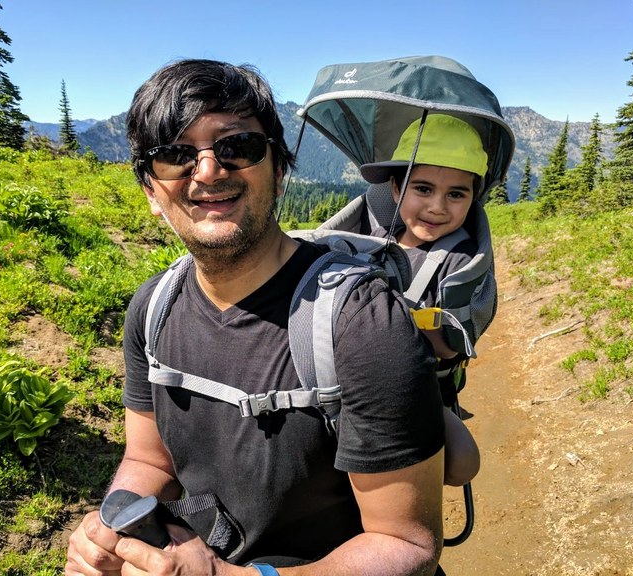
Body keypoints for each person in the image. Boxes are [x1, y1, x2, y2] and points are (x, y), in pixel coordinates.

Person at [65, 59, 446, 576]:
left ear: (280, 168)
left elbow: (407, 544)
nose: (207, 171)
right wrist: (112, 531)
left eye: (236, 147)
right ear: (152, 191)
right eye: (175, 155)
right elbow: (149, 461)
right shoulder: (153, 309)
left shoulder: (363, 325)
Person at [360, 114, 491, 487]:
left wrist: (388, 316)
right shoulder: (373, 236)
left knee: (463, 464)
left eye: (455, 194)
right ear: (396, 190)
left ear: (472, 198)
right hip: (346, 372)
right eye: (423, 189)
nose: (437, 207)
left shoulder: (459, 260)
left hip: (415, 382)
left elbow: (448, 349)